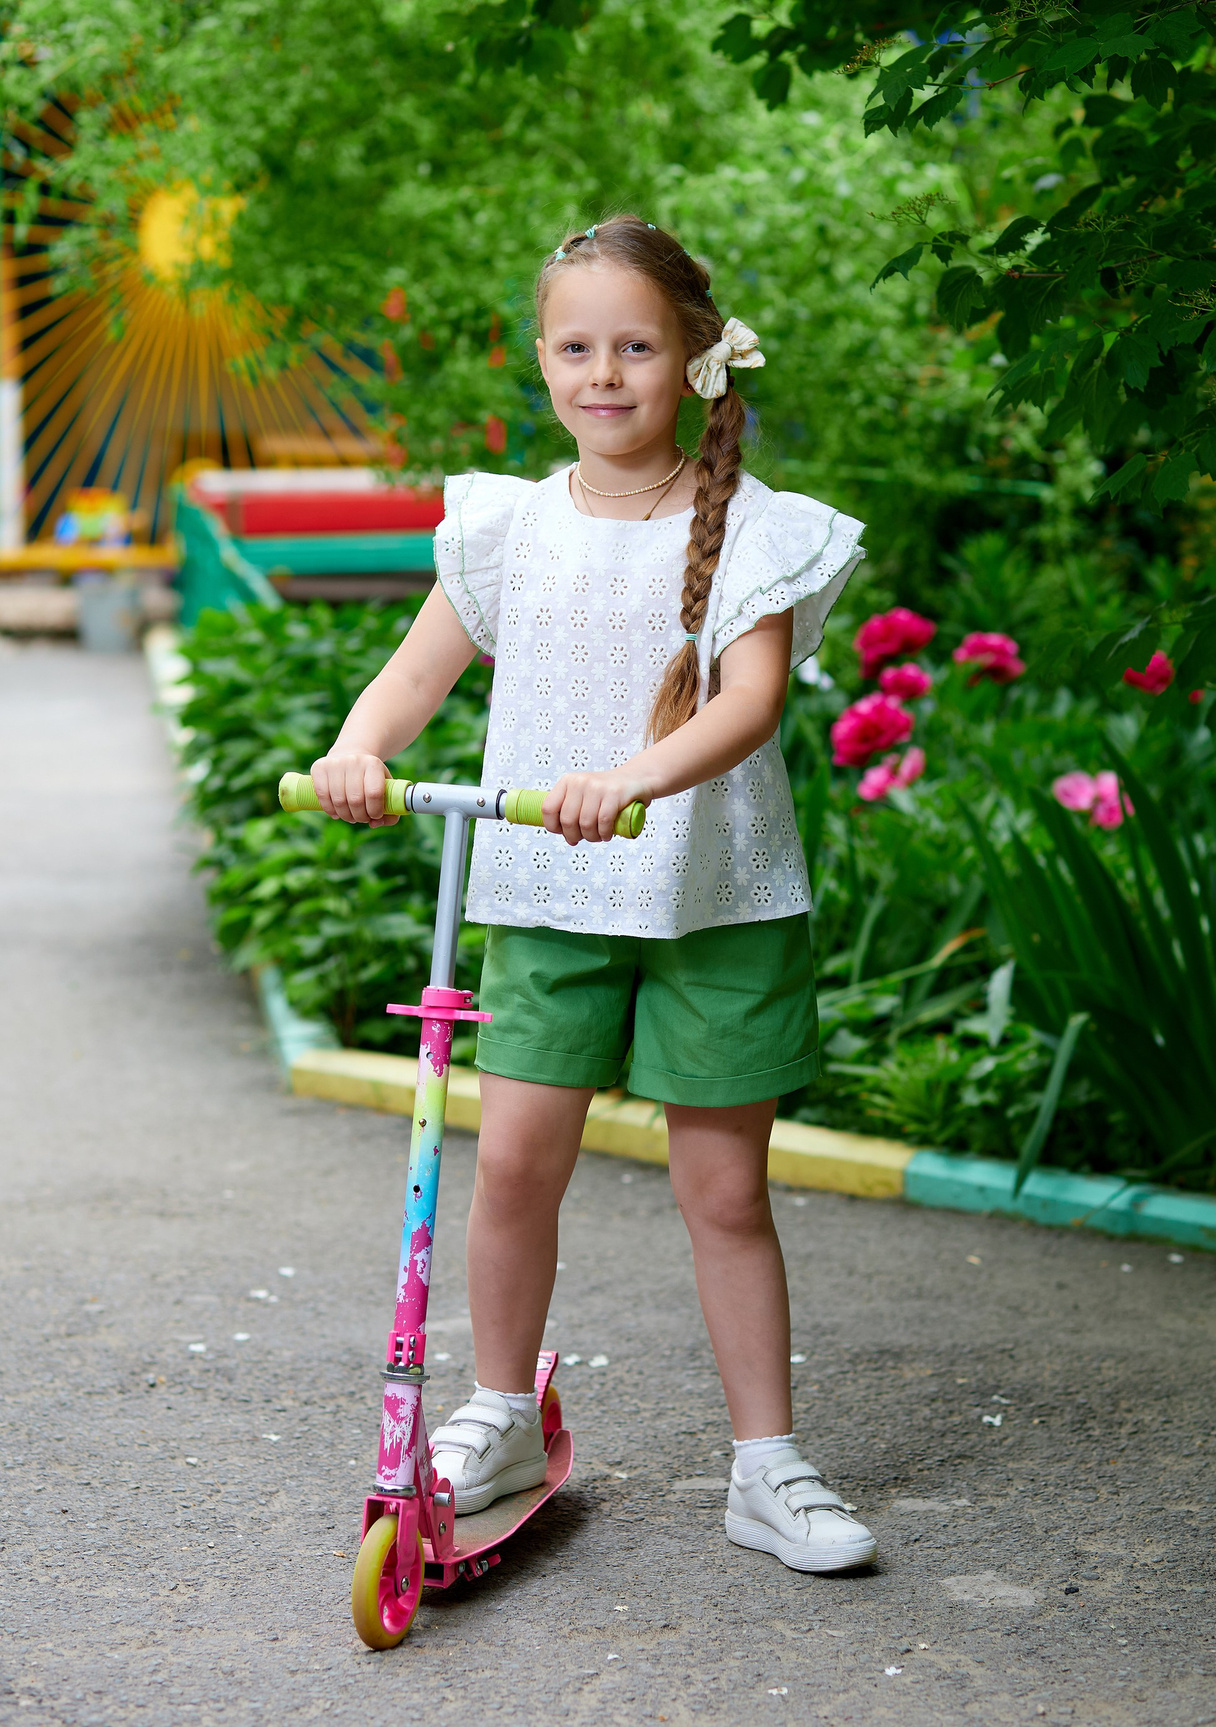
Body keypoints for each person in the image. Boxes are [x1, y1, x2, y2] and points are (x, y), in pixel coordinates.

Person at [308, 215, 876, 1573]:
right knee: (512, 1164)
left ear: (694, 359)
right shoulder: (508, 526)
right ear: (542, 359)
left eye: (635, 346)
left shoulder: (754, 531)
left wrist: (631, 776)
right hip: (547, 896)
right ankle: (502, 1410)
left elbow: (747, 704)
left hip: (713, 901)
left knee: (724, 1189)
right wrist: (358, 747)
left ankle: (767, 1461)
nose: (604, 373)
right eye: (576, 348)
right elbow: (415, 673)